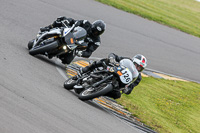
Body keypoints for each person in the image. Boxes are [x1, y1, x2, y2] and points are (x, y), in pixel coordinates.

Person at [76, 53, 147, 99]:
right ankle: (87, 68)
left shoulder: (138, 77)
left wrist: (127, 90)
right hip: (112, 70)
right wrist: (112, 59)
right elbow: (114, 55)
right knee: (105, 61)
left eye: (140, 68)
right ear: (133, 61)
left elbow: (131, 87)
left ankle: (97, 92)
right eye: (137, 65)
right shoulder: (127, 60)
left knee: (117, 95)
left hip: (117, 83)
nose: (137, 68)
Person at [40, 16, 106, 64]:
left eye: (97, 32)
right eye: (95, 30)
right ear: (93, 26)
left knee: (67, 61)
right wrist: (68, 23)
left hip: (75, 46)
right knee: (62, 19)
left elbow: (89, 52)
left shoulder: (96, 41)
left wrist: (80, 53)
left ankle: (57, 53)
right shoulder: (86, 23)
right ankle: (47, 28)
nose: (95, 33)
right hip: (70, 35)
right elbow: (75, 22)